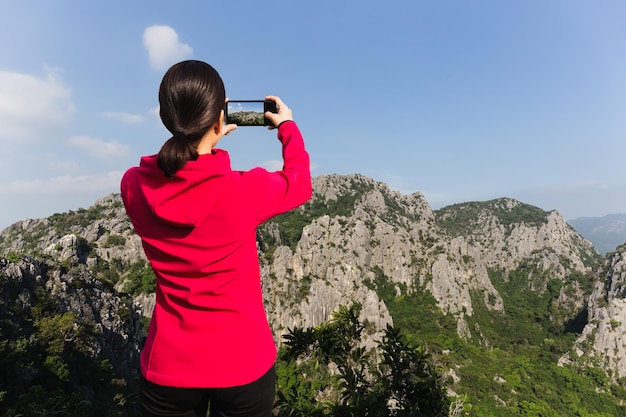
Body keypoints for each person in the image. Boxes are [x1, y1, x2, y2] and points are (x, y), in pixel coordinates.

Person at [120, 60, 312, 417]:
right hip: (243, 365)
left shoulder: (134, 185)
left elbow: (180, 177)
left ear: (166, 116)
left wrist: (206, 138)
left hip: (169, 368)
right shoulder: (245, 191)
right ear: (219, 116)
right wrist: (286, 126)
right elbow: (299, 182)